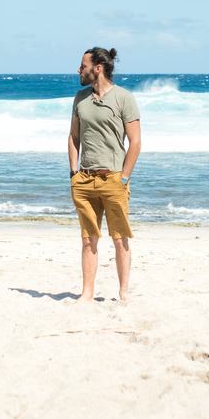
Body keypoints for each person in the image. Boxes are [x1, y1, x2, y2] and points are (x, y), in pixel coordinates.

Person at [68, 47, 142, 303]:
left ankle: (123, 293)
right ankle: (86, 293)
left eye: (83, 65)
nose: (79, 70)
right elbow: (73, 137)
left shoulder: (124, 98)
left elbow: (135, 142)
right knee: (88, 239)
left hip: (113, 178)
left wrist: (123, 177)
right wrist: (73, 172)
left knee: (120, 238)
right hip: (85, 180)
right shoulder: (80, 98)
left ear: (97, 68)